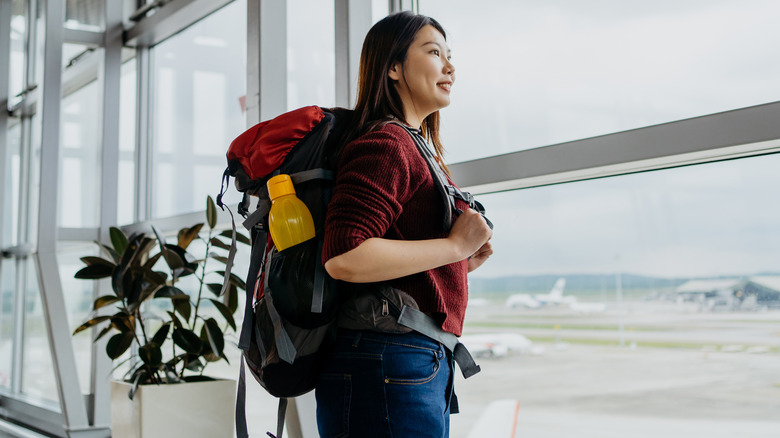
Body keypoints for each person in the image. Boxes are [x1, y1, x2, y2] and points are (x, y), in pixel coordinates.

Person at [315, 11, 493, 438]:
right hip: (387, 359)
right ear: (393, 67)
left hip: (407, 359)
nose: (450, 67)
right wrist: (452, 248)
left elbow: (391, 266)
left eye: (450, 56)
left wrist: (460, 260)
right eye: (434, 53)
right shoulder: (387, 143)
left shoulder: (416, 146)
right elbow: (344, 256)